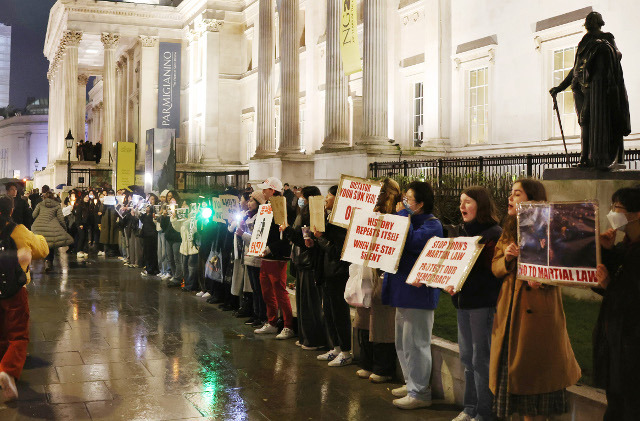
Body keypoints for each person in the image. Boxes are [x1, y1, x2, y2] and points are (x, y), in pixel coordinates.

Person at [490, 179, 580, 421]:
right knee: (514, 385)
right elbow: (496, 267)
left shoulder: (552, 227)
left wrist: (544, 280)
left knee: (536, 388)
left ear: (532, 200)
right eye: (510, 193)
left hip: (539, 316)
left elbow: (565, 267)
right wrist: (507, 258)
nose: (510, 198)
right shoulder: (509, 228)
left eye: (516, 194)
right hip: (511, 314)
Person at [381, 181, 443, 410]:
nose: (405, 203)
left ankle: (420, 392)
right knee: (403, 341)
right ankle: (411, 383)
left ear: (421, 204)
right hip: (402, 289)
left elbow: (412, 242)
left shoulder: (432, 225)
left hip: (418, 293)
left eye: (409, 199)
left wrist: (400, 218)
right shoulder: (410, 220)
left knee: (417, 342)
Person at [444, 187, 503, 421]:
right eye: (461, 202)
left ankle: (484, 412)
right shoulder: (462, 232)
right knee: (467, 357)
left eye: (467, 202)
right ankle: (469, 407)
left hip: (482, 304)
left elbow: (492, 273)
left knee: (481, 359)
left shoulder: (493, 234)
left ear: (481, 205)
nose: (462, 207)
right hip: (463, 304)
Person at [549, 11, 630, 168]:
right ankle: (584, 158)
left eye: (592, 20)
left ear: (599, 22)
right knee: (583, 121)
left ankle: (593, 157)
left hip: (596, 87)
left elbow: (617, 54)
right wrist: (560, 87)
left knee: (590, 118)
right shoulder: (583, 42)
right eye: (588, 20)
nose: (589, 23)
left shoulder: (607, 37)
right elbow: (575, 68)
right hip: (578, 86)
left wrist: (603, 47)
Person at [593, 186, 640, 421]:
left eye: (618, 208)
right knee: (615, 401)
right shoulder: (625, 245)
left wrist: (610, 284)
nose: (612, 213)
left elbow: (631, 294)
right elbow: (604, 283)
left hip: (633, 344)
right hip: (616, 341)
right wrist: (606, 252)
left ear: (636, 213)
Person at [0, 195, 49, 401]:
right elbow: (42, 249)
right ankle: (8, 371)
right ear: (11, 211)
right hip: (13, 290)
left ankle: (2, 363)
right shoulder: (17, 230)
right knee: (19, 334)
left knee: (1, 334)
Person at [354, 178, 401, 384]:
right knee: (364, 316)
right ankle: (368, 362)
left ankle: (383, 367)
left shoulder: (396, 214)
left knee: (382, 320)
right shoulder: (372, 211)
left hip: (385, 270)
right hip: (369, 267)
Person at [281, 186, 329, 351]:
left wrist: (288, 231)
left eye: (302, 197)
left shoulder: (312, 213)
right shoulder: (304, 212)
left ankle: (312, 339)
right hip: (302, 262)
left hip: (309, 263)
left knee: (310, 304)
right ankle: (305, 336)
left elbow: (305, 240)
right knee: (304, 303)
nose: (299, 199)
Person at [313, 185, 353, 367]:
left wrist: (321, 238)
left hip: (338, 273)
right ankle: (335, 347)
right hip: (327, 273)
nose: (326, 199)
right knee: (328, 311)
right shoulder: (329, 219)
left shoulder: (342, 224)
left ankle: (346, 351)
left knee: (339, 313)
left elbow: (337, 251)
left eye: (329, 195)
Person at [253, 177, 295, 340]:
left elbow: (285, 234)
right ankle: (272, 322)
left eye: (266, 189)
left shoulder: (283, 208)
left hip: (277, 255)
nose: (263, 192)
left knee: (279, 290)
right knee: (267, 290)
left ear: (273, 190)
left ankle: (288, 325)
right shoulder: (266, 207)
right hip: (266, 255)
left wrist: (271, 248)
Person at [238, 191, 268, 328]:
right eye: (248, 200)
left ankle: (261, 315)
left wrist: (242, 234)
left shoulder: (260, 218)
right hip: (248, 256)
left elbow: (258, 240)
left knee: (259, 289)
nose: (249, 203)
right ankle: (256, 314)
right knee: (254, 288)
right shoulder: (248, 217)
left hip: (256, 257)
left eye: (252, 201)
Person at [31, 191, 74, 272]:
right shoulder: (57, 205)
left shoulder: (40, 204)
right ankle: (49, 261)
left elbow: (34, 215)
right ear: (53, 197)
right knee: (52, 245)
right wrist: (64, 228)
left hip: (40, 227)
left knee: (44, 244)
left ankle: (46, 260)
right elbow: (61, 219)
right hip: (53, 227)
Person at [73, 193, 92, 258]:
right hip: (81, 224)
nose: (87, 198)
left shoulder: (88, 205)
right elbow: (78, 215)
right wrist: (79, 224)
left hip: (86, 224)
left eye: (88, 197)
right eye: (86, 197)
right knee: (81, 237)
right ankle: (79, 250)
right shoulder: (80, 206)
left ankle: (84, 250)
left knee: (86, 237)